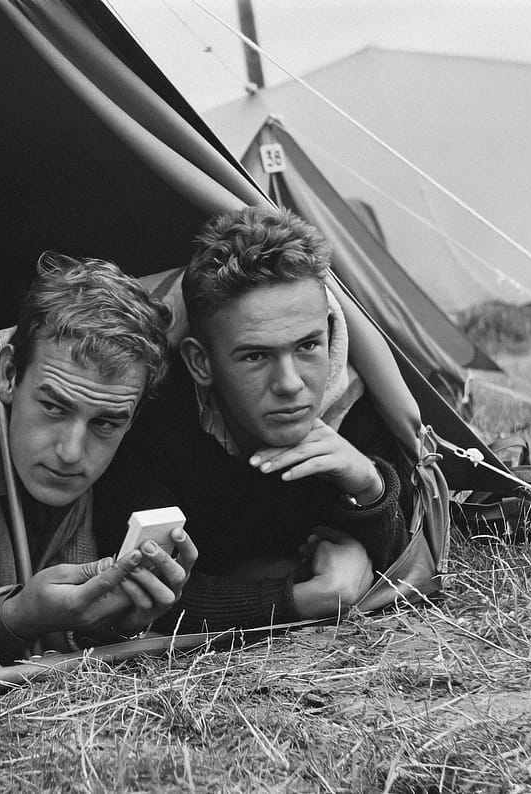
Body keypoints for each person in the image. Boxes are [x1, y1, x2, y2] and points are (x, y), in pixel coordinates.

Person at [94, 205, 409, 630]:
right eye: (256, 356)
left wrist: (370, 487)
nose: (291, 383)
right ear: (200, 363)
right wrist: (297, 599)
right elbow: (139, 597)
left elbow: (404, 555)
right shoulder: (150, 419)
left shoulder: (358, 400)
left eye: (307, 346)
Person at [0, 253, 198, 677]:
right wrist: (17, 617)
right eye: (53, 407)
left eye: (105, 423)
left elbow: (58, 640)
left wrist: (107, 624)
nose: (71, 452)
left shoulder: (61, 462)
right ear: (9, 374)